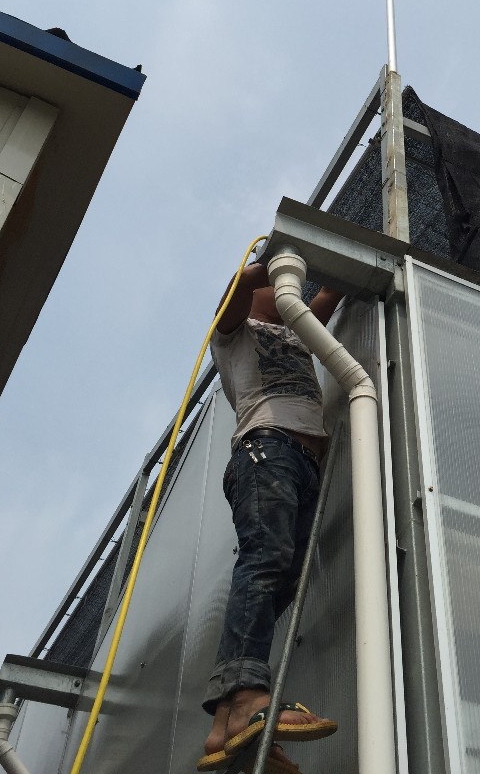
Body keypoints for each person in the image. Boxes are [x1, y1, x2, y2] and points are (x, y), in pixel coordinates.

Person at [197, 260, 343, 772]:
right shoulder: (236, 333)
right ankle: (245, 696)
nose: (289, 298)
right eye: (281, 291)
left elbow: (328, 296)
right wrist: (275, 260)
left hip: (300, 462)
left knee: (284, 578)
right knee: (267, 560)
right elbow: (238, 289)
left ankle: (225, 728)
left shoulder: (296, 333)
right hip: (267, 449)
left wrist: (332, 268)